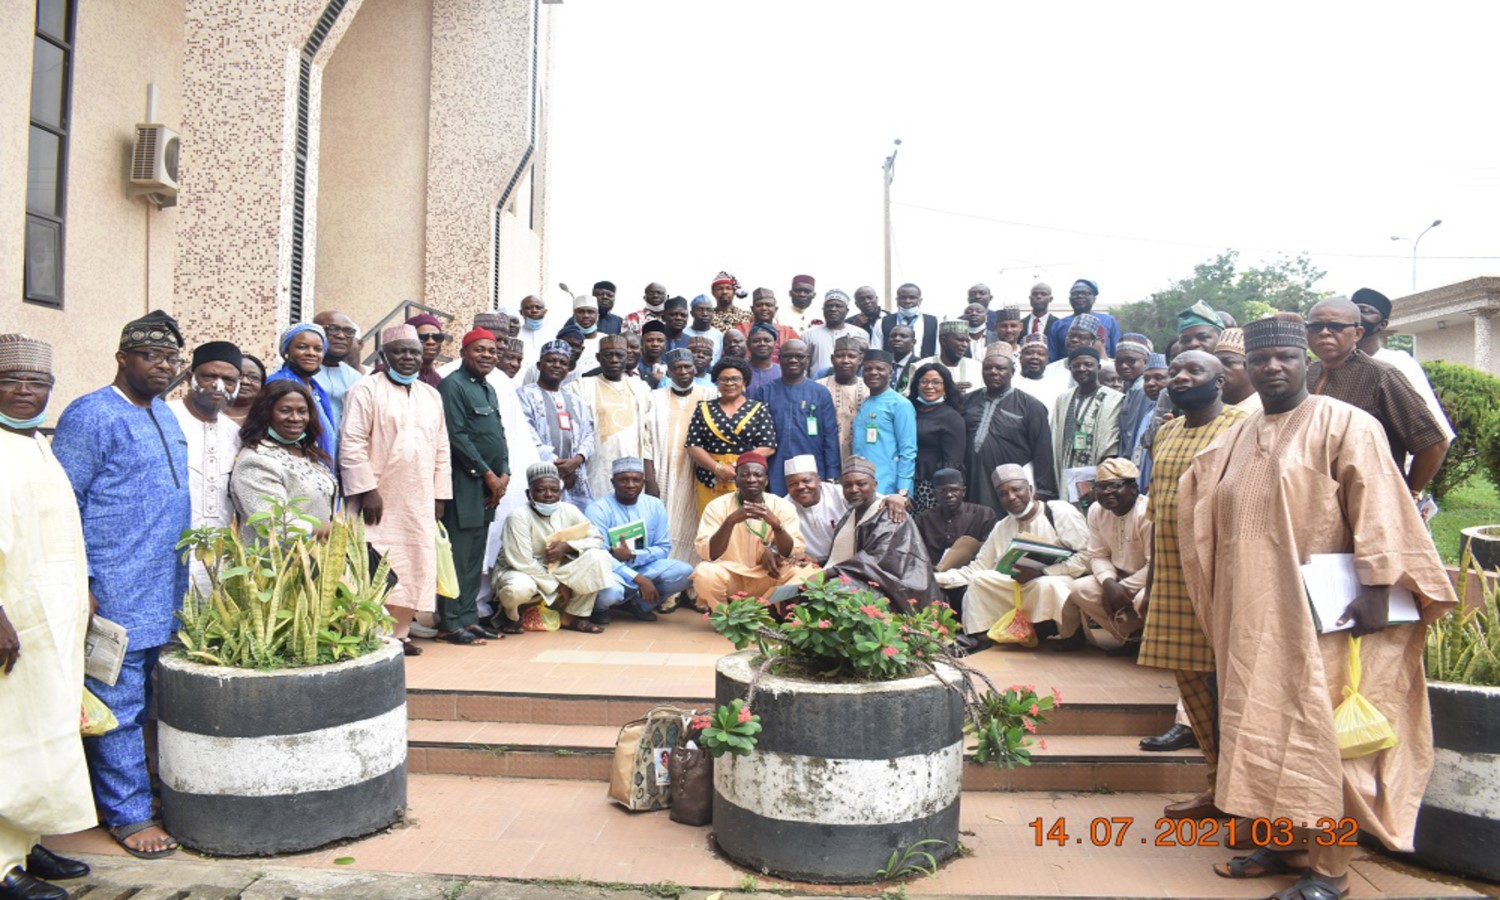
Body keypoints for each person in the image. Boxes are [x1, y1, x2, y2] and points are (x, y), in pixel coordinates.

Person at [1179, 313, 1457, 899]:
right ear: (1248, 369)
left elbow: (1380, 502)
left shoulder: (1344, 423)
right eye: (1260, 360)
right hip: (1248, 613)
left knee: (1317, 733)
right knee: (1260, 727)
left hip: (1322, 616)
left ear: (1306, 360)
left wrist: (1381, 586)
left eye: (1284, 357)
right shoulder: (1238, 433)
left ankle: (1329, 869)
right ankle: (1283, 842)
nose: (1272, 368)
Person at [52, 310, 191, 859]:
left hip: (167, 585)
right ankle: (129, 814)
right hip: (115, 586)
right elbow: (64, 507)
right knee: (118, 700)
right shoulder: (90, 415)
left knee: (150, 702)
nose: (163, 366)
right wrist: (83, 581)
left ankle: (134, 793)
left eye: (171, 358)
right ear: (122, 358)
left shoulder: (164, 412)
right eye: (151, 356)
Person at [0, 335, 98, 898]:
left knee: (45, 728)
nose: (23, 391)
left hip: (53, 618)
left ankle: (25, 840)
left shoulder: (36, 442)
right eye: (11, 380)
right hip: (12, 621)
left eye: (36, 383)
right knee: (11, 732)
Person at [1135, 348, 1247, 819]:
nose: (1179, 378)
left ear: (1220, 380)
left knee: (1232, 690)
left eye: (1193, 370)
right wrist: (1152, 583)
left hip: (1224, 581)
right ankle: (1216, 786)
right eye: (1174, 371)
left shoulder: (1243, 428)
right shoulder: (1164, 433)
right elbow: (1159, 514)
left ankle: (1244, 797)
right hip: (1173, 581)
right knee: (1194, 686)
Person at [341, 324, 453, 655]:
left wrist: (439, 495)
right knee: (377, 563)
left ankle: (400, 635)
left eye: (414, 352)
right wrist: (366, 489)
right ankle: (374, 634)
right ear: (384, 356)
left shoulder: (431, 394)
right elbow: (352, 443)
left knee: (416, 561)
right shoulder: (364, 390)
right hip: (377, 497)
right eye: (400, 351)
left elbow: (442, 448)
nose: (408, 357)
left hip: (418, 497)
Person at [937, 465, 1089, 652]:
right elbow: (978, 567)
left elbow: (1087, 556)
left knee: (1047, 585)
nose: (1011, 497)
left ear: (1030, 489)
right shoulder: (1002, 526)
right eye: (1003, 494)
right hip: (1021, 584)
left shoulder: (1059, 511)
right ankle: (983, 635)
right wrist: (935, 578)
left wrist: (1044, 572)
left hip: (1058, 578)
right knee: (981, 580)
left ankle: (1069, 634)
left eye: (1016, 490)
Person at [1305, 296, 1449, 493]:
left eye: (1336, 326)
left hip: (1371, 498)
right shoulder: (1309, 373)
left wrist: (1409, 494)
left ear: (1357, 333)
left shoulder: (1381, 376)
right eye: (1315, 327)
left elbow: (1434, 444)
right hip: (1317, 497)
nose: (1324, 333)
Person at [436, 328, 510, 645]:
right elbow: (457, 436)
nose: (487, 356)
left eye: (492, 352)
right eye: (480, 350)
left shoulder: (488, 389)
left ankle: (468, 617)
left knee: (474, 555)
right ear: (464, 352)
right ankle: (450, 623)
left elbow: (499, 433)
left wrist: (504, 471)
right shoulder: (452, 385)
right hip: (464, 483)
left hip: (489, 486)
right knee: (459, 553)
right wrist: (488, 474)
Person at [493, 463, 616, 634]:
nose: (549, 495)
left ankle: (576, 617)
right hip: (522, 571)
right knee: (517, 588)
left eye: (555, 490)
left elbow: (596, 538)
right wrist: (558, 586)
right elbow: (522, 562)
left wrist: (568, 547)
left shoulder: (569, 510)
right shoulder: (518, 517)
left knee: (597, 557)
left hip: (556, 568)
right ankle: (512, 617)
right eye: (541, 490)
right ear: (529, 494)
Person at [692, 453, 819, 609]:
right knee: (704, 572)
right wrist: (730, 521)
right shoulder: (717, 506)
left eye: (757, 475)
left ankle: (765, 608)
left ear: (766, 480)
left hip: (768, 576)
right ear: (736, 480)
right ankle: (724, 616)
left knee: (809, 571)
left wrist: (776, 526)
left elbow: (790, 553)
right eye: (744, 475)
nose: (751, 479)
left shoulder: (783, 506)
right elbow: (709, 554)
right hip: (732, 576)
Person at [168, 341, 244, 593]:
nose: (218, 385)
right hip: (170, 554)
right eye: (209, 376)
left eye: (228, 379)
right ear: (190, 377)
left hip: (220, 560)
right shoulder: (165, 419)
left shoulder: (236, 434)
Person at [822, 457, 942, 612]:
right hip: (864, 576)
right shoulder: (850, 514)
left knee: (836, 591)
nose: (854, 489)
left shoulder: (889, 514)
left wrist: (831, 572)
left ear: (875, 485)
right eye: (847, 485)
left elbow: (879, 561)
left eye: (861, 483)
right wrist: (819, 561)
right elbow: (848, 554)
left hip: (897, 587)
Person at [585, 457, 694, 622]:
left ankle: (638, 604)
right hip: (612, 571)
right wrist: (638, 579)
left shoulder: (655, 505)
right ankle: (600, 609)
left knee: (685, 573)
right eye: (624, 480)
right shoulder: (597, 509)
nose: (630, 485)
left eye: (636, 480)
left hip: (645, 566)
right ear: (613, 482)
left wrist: (633, 555)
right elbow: (598, 553)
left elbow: (664, 548)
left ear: (643, 482)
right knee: (610, 593)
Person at [230, 380, 338, 543]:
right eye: (285, 411)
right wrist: (331, 531)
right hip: (277, 563)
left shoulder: (306, 450)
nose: (295, 418)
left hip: (316, 559)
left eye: (302, 411)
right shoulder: (256, 461)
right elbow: (275, 524)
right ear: (266, 413)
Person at [1351, 287, 1455, 445]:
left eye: (1365, 311)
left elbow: (1436, 435)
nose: (1358, 317)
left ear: (1382, 324)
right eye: (1354, 311)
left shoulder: (1399, 363)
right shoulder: (1335, 363)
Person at [1067, 457, 1152, 650]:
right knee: (1080, 588)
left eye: (1114, 486)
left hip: (1149, 580)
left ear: (1133, 488)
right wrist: (1108, 582)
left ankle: (1152, 641)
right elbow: (1098, 555)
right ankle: (1132, 637)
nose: (1106, 492)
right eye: (1100, 487)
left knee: (1141, 601)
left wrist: (1123, 588)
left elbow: (1155, 563)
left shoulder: (1146, 512)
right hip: (1117, 577)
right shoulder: (1096, 511)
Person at [645, 349, 714, 582]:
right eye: (677, 368)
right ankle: (669, 586)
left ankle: (693, 586)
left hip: (697, 474)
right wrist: (650, 478)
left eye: (687, 367)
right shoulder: (654, 397)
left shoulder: (710, 395)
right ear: (669, 371)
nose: (683, 372)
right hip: (663, 472)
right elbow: (644, 440)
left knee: (694, 527)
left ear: (695, 368)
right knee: (665, 529)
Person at [963, 345, 1057, 510]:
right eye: (988, 368)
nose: (993, 372)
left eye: (1000, 368)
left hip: (1010, 488)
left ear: (1012, 372)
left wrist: (1043, 490)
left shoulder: (1031, 406)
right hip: (971, 480)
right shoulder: (967, 401)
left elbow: (1043, 451)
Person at [569, 334, 655, 501]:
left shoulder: (640, 388)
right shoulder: (581, 387)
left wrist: (650, 477)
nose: (614, 360)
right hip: (597, 468)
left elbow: (646, 438)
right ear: (598, 358)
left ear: (627, 358)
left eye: (619, 355)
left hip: (632, 472)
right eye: (608, 355)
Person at [686, 357, 778, 514]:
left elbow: (768, 446)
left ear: (744, 382)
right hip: (710, 479)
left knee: (747, 526)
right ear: (717, 382)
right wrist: (717, 467)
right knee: (713, 527)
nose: (729, 383)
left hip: (747, 478)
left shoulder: (759, 408)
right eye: (724, 379)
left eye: (735, 379)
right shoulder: (704, 408)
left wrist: (737, 467)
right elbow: (693, 446)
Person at [751, 339, 840, 496]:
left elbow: (830, 436)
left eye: (799, 356)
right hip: (775, 465)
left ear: (807, 359)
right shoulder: (764, 392)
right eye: (788, 356)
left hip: (811, 464)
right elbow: (755, 436)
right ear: (779, 358)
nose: (793, 360)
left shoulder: (820, 393)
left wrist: (832, 473)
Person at [518, 341, 596, 511]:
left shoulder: (576, 400)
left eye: (562, 363)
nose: (557, 365)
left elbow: (589, 433)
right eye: (551, 360)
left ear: (568, 370)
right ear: (539, 365)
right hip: (539, 474)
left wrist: (576, 461)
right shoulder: (524, 395)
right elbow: (526, 432)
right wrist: (556, 464)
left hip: (574, 475)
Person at [913, 468, 997, 611]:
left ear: (963, 491)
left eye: (954, 490)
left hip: (967, 579)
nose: (949, 495)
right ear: (934, 494)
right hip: (933, 581)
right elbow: (914, 552)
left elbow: (989, 553)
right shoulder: (923, 519)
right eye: (942, 491)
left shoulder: (983, 515)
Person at [1051, 345, 1124, 498]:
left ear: (1098, 367)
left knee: (1091, 515)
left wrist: (1101, 481)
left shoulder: (1113, 399)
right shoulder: (1063, 399)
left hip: (1095, 470)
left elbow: (1111, 441)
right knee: (1068, 516)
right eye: (1076, 366)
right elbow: (1055, 434)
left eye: (1088, 364)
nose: (1082, 369)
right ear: (1070, 369)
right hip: (1066, 468)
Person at [265, 322, 339, 460]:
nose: (311, 353)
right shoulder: (277, 385)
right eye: (302, 347)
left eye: (317, 349)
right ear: (286, 351)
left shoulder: (316, 388)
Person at [850, 349, 917, 500]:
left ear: (891, 372)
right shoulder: (865, 403)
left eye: (880, 368)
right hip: (862, 485)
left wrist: (903, 490)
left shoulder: (900, 404)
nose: (873, 373)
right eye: (868, 369)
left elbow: (908, 451)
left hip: (888, 487)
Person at [907, 363, 967, 513]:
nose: (929, 386)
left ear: (945, 386)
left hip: (931, 487)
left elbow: (953, 461)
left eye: (936, 382)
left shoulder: (951, 417)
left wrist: (942, 490)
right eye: (924, 381)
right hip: (907, 481)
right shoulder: (909, 410)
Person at [818, 335, 870, 466]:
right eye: (840, 356)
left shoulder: (869, 388)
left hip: (861, 455)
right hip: (826, 454)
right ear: (832, 359)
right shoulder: (819, 387)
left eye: (851, 356)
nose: (845, 361)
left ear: (860, 360)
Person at [311, 310, 363, 426]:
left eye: (348, 331)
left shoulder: (356, 378)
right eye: (332, 329)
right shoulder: (294, 372)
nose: (341, 336)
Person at [1048, 279, 1121, 361]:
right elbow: (1051, 358)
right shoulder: (1058, 325)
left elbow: (1117, 354)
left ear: (1094, 299)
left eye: (1085, 293)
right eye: (1075, 293)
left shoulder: (1109, 321)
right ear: (1069, 299)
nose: (1080, 296)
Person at [1129, 352, 1171, 491]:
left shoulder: (1173, 412)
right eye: (1146, 379)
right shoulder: (1149, 410)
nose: (1151, 383)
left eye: (1159, 378)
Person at [915, 320, 983, 394]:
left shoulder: (977, 367)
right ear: (943, 340)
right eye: (960, 340)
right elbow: (910, 396)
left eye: (967, 341)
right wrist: (946, 391)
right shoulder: (920, 366)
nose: (965, 345)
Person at [1114, 335, 1155, 458]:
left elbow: (1134, 433)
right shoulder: (1130, 386)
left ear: (1146, 362)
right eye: (1119, 361)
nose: (1124, 366)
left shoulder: (1141, 388)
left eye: (1131, 361)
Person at [801, 290, 858, 374]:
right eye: (829, 306)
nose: (833, 309)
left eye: (838, 306)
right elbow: (803, 366)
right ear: (823, 309)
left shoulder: (859, 334)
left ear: (847, 310)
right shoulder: (809, 335)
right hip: (816, 384)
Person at [735, 288, 800, 361]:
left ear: (776, 309)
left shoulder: (788, 333)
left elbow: (800, 357)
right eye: (759, 305)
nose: (764, 308)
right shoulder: (740, 331)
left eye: (768, 305)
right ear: (752, 309)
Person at [880, 283, 938, 359]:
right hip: (893, 367)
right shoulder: (883, 321)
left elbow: (938, 351)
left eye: (912, 298)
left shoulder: (934, 322)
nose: (907, 301)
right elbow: (877, 350)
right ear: (897, 300)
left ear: (920, 300)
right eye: (903, 298)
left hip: (925, 367)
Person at [1211, 327, 1260, 414]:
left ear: (1250, 366)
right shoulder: (1216, 411)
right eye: (1216, 363)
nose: (1219, 369)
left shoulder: (1260, 410)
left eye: (1228, 362)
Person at [1014, 332, 1066, 409]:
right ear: (1020, 357)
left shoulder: (1055, 387)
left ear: (1047, 358)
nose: (1035, 357)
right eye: (1029, 353)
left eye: (1041, 354)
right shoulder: (1011, 383)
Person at [402, 313, 450, 388]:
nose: (431, 342)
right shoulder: (391, 376)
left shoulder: (438, 381)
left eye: (437, 337)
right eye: (422, 337)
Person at [225, 353, 265, 426]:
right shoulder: (207, 413)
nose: (244, 381)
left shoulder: (268, 417)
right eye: (238, 375)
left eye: (253, 377)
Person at [744, 323, 782, 394]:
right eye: (756, 341)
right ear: (748, 344)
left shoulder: (782, 373)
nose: (762, 343)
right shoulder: (740, 371)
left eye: (767, 340)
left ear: (774, 344)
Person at [516, 295, 550, 365]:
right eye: (528, 308)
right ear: (521, 312)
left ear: (545, 311)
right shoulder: (515, 334)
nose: (534, 310)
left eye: (538, 307)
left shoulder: (554, 334)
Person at [637, 321, 668, 388]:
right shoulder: (634, 368)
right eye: (650, 340)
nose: (655, 344)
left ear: (665, 344)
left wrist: (663, 381)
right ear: (642, 343)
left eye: (660, 340)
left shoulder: (670, 370)